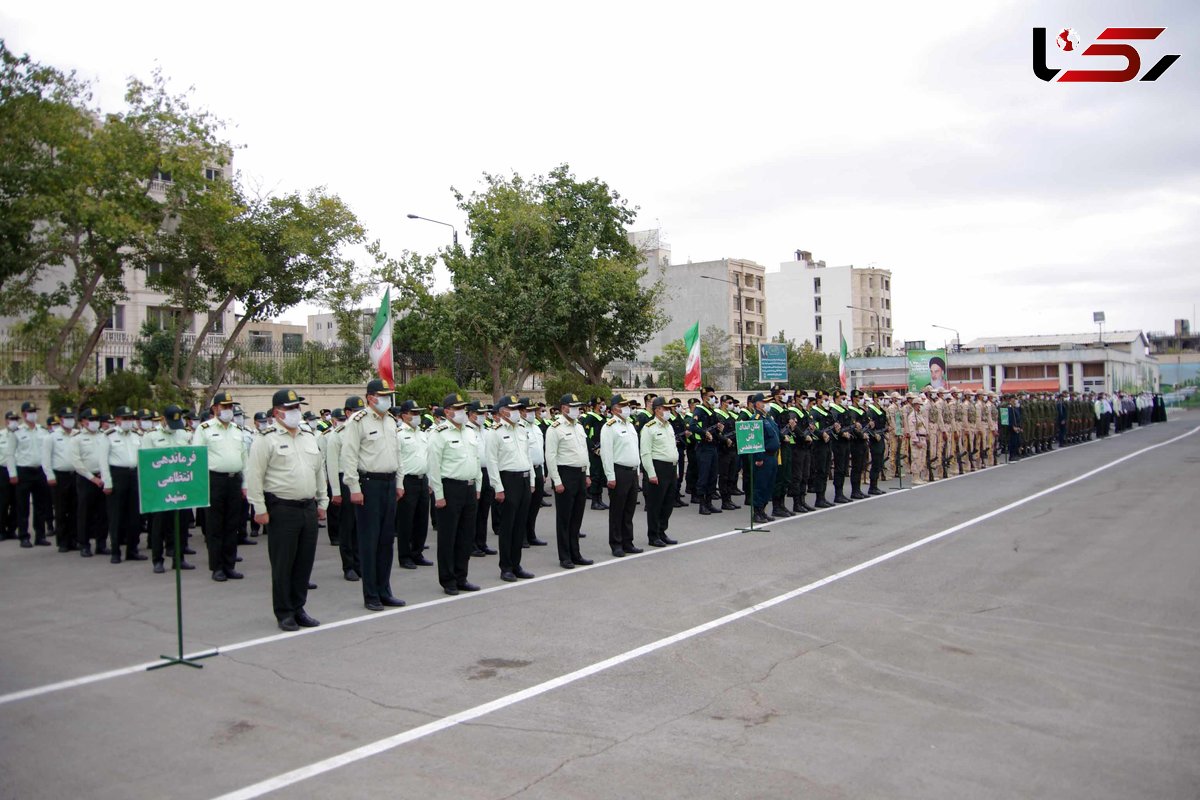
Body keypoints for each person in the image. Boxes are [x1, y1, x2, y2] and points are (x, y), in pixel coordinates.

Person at [246, 388, 327, 632]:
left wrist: (322, 502)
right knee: (283, 563)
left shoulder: (308, 435)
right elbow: (255, 476)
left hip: (307, 507)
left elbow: (318, 471)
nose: (295, 412)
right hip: (282, 508)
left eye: (297, 408)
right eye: (290, 408)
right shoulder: (266, 439)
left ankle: (299, 607)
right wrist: (259, 508)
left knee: (304, 562)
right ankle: (284, 612)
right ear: (277, 412)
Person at [339, 378, 406, 612]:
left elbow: (397, 455)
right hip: (369, 484)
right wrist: (354, 489)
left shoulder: (390, 420)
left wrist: (399, 482)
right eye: (383, 395)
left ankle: (384, 589)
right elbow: (349, 456)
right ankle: (371, 595)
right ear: (370, 397)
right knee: (369, 541)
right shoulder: (357, 421)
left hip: (389, 484)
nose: (387, 399)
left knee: (386, 541)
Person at [427, 393, 483, 596]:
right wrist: (439, 495)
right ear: (448, 411)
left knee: (465, 536)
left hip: (469, 488)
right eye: (458, 409)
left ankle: (462, 576)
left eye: (463, 409)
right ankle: (448, 579)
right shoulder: (439, 433)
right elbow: (433, 466)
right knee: (448, 537)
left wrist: (477, 486)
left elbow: (476, 460)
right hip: (450, 489)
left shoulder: (469, 431)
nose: (462, 412)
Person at [192, 391, 247, 581]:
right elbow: (197, 458)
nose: (228, 410)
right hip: (214, 480)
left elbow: (244, 458)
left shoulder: (237, 430)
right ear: (215, 408)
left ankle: (229, 564)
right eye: (225, 407)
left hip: (234, 480)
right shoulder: (204, 429)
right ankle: (217, 567)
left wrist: (245, 484)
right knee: (215, 526)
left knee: (232, 525)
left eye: (231, 407)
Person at [487, 395, 536, 582]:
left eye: (518, 408)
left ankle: (517, 564)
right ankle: (506, 567)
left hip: (523, 479)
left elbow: (527, 456)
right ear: (502, 411)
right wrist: (498, 487)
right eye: (513, 408)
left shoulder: (522, 429)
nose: (517, 411)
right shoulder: (495, 431)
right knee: (507, 526)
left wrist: (531, 480)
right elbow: (491, 461)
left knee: (520, 525)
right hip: (508, 480)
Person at [144, 406, 196, 573]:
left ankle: (178, 558)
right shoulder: (151, 436)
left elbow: (192, 457)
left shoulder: (184, 433)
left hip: (180, 484)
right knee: (159, 525)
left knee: (180, 525)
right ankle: (157, 560)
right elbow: (145, 464)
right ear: (163, 420)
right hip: (161, 486)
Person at [544, 393, 593, 569]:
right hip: (565, 474)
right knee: (564, 518)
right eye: (573, 407)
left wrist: (587, 473)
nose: (576, 410)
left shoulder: (578, 426)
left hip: (580, 474)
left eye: (577, 407)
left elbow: (584, 452)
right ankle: (565, 556)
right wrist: (556, 480)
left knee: (577, 517)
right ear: (564, 407)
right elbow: (550, 456)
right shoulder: (554, 428)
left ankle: (576, 553)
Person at [98, 405, 143, 563]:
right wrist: (107, 482)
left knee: (134, 516)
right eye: (125, 419)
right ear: (117, 420)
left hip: (134, 475)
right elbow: (102, 461)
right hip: (117, 475)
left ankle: (132, 549)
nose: (128, 421)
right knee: (116, 515)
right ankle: (115, 551)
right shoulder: (108, 435)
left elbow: (142, 457)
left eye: (130, 418)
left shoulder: (137, 435)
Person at [601, 394, 642, 556]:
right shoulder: (609, 427)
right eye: (623, 405)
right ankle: (616, 544)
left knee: (629, 510)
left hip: (631, 472)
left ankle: (628, 542)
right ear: (615, 409)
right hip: (619, 472)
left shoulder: (630, 425)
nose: (627, 408)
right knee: (617, 510)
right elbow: (606, 453)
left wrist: (637, 471)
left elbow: (634, 450)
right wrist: (610, 476)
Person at [394, 399, 433, 572]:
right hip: (407, 481)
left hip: (422, 479)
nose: (417, 416)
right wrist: (399, 484)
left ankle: (417, 552)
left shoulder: (422, 433)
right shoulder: (399, 434)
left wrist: (430, 480)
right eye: (414, 413)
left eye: (418, 413)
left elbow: (428, 459)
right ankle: (405, 556)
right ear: (404, 415)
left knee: (422, 519)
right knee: (406, 521)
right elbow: (398, 461)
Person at [9, 400, 51, 547]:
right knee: (23, 505)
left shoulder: (43, 431)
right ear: (24, 414)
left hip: (40, 471)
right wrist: (12, 474)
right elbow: (10, 454)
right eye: (30, 412)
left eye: (35, 412)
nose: (33, 414)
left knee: (41, 505)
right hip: (23, 471)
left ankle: (40, 536)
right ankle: (24, 536)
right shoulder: (17, 432)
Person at [641, 396, 681, 547]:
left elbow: (673, 449)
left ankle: (662, 531)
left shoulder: (668, 426)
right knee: (655, 504)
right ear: (657, 410)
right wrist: (651, 473)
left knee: (668, 503)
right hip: (658, 468)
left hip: (671, 468)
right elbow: (645, 453)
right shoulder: (649, 427)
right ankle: (653, 535)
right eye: (665, 409)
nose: (668, 411)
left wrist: (676, 468)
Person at [70, 407, 108, 557]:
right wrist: (92, 478)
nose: (94, 422)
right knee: (85, 512)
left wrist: (104, 477)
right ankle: (84, 544)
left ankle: (101, 544)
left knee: (102, 513)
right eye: (91, 420)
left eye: (96, 420)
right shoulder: (77, 439)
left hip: (103, 476)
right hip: (87, 478)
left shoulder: (104, 436)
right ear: (83, 422)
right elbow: (77, 462)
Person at [43, 406, 78, 551]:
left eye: (71, 417)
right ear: (60, 419)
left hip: (75, 474)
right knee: (61, 509)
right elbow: (45, 459)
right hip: (60, 476)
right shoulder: (51, 437)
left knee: (75, 509)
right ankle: (63, 541)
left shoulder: (77, 434)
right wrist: (50, 475)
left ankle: (74, 539)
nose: (70, 420)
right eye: (67, 418)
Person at [519, 397, 549, 548]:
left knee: (535, 505)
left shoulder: (536, 427)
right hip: (527, 471)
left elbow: (540, 452)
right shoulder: (519, 427)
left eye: (533, 410)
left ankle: (531, 534)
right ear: (522, 412)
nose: (532, 413)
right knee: (525, 505)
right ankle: (522, 536)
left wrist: (542, 471)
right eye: (529, 410)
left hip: (538, 469)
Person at [747, 393, 780, 524]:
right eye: (765, 402)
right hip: (763, 457)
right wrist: (759, 457)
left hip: (772, 456)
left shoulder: (768, 418)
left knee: (769, 485)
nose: (768, 404)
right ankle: (757, 512)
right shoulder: (755, 418)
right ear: (758, 404)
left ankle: (763, 510)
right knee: (760, 485)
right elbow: (755, 440)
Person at [690, 386, 721, 515]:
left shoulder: (711, 410)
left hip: (713, 447)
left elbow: (714, 427)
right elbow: (692, 425)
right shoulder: (699, 410)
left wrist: (719, 428)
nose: (714, 398)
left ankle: (709, 502)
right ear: (704, 397)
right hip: (703, 447)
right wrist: (704, 433)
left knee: (713, 476)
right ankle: (702, 504)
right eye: (711, 396)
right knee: (704, 475)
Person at [864, 391, 888, 495]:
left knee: (879, 463)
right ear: (875, 398)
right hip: (875, 440)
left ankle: (875, 485)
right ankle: (872, 487)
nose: (882, 400)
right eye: (880, 398)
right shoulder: (871, 411)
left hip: (881, 437)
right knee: (875, 462)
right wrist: (874, 435)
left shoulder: (881, 410)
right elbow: (867, 427)